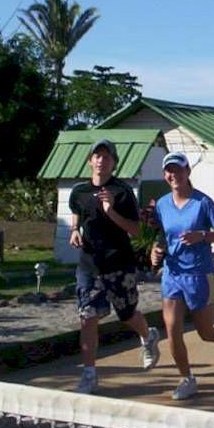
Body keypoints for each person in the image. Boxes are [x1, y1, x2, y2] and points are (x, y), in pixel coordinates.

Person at [68, 139, 161, 395]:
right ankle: (89, 374)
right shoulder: (79, 191)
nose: (101, 161)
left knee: (127, 314)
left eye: (106, 157)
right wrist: (75, 230)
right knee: (87, 316)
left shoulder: (122, 192)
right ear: (90, 161)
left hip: (118, 263)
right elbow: (77, 210)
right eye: (97, 156)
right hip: (89, 265)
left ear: (114, 164)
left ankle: (148, 336)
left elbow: (135, 230)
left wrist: (111, 212)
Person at [150, 152, 214, 400]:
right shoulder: (161, 204)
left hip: (200, 274)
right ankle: (186, 378)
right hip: (172, 273)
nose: (174, 175)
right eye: (169, 171)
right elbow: (161, 236)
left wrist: (201, 236)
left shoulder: (203, 202)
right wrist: (155, 251)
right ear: (164, 175)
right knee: (172, 328)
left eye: (178, 170)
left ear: (187, 172)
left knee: (205, 332)